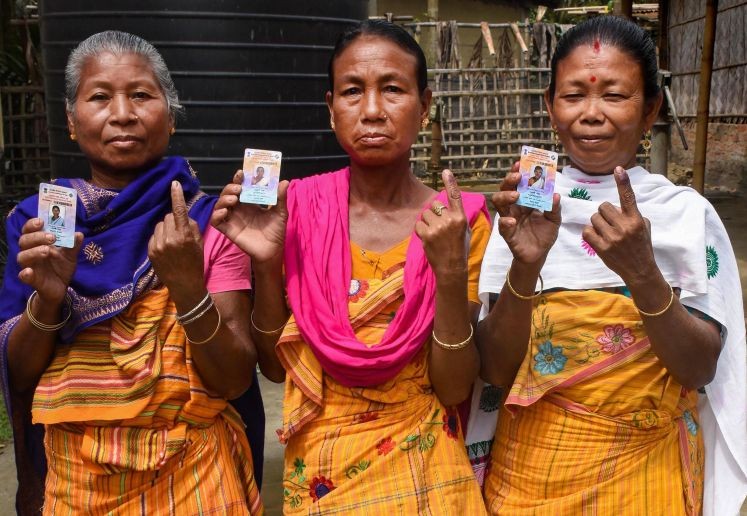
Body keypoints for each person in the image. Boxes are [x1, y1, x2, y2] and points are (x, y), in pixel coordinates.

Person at [212, 19, 490, 514]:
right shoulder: (294, 209)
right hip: (321, 474)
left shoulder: (458, 222)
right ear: (330, 108)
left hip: (428, 474)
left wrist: (447, 274)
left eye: (392, 89)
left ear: (424, 106)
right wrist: (268, 262)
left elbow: (452, 386)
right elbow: (277, 368)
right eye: (352, 92)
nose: (373, 111)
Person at [475, 16, 745, 515]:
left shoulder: (685, 215)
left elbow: (699, 367)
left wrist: (642, 273)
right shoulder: (527, 212)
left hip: (647, 480)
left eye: (615, 96)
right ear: (550, 108)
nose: (591, 114)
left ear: (650, 110)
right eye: (574, 95)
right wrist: (525, 268)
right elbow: (493, 368)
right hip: (532, 478)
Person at [0, 31, 264, 514]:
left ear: (170, 113)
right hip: (76, 481)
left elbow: (233, 378)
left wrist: (188, 288)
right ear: (71, 120)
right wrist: (48, 300)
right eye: (99, 96)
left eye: (141, 95)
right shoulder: (40, 225)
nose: (122, 113)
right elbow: (19, 373)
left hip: (195, 477)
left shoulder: (211, 224)